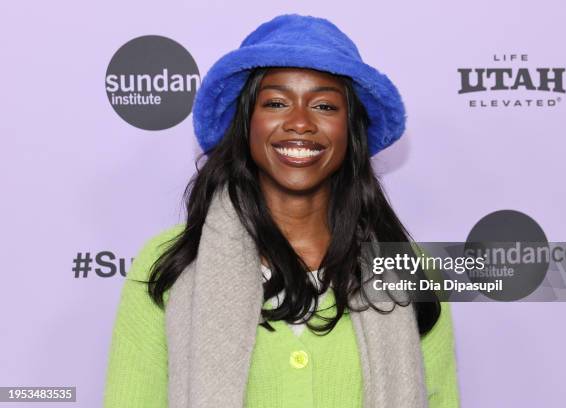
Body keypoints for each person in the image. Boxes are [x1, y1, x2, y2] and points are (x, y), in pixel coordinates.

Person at [104, 13, 459, 408]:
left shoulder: (410, 269)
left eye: (324, 106)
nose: (300, 123)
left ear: (351, 130)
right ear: (246, 123)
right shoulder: (170, 264)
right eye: (276, 102)